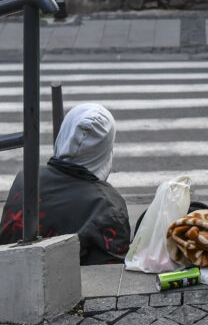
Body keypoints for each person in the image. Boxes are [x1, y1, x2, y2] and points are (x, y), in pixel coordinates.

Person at [0, 103, 131, 265]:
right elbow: (109, 274)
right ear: (106, 149)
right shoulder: (108, 206)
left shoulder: (26, 178)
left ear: (64, 133)